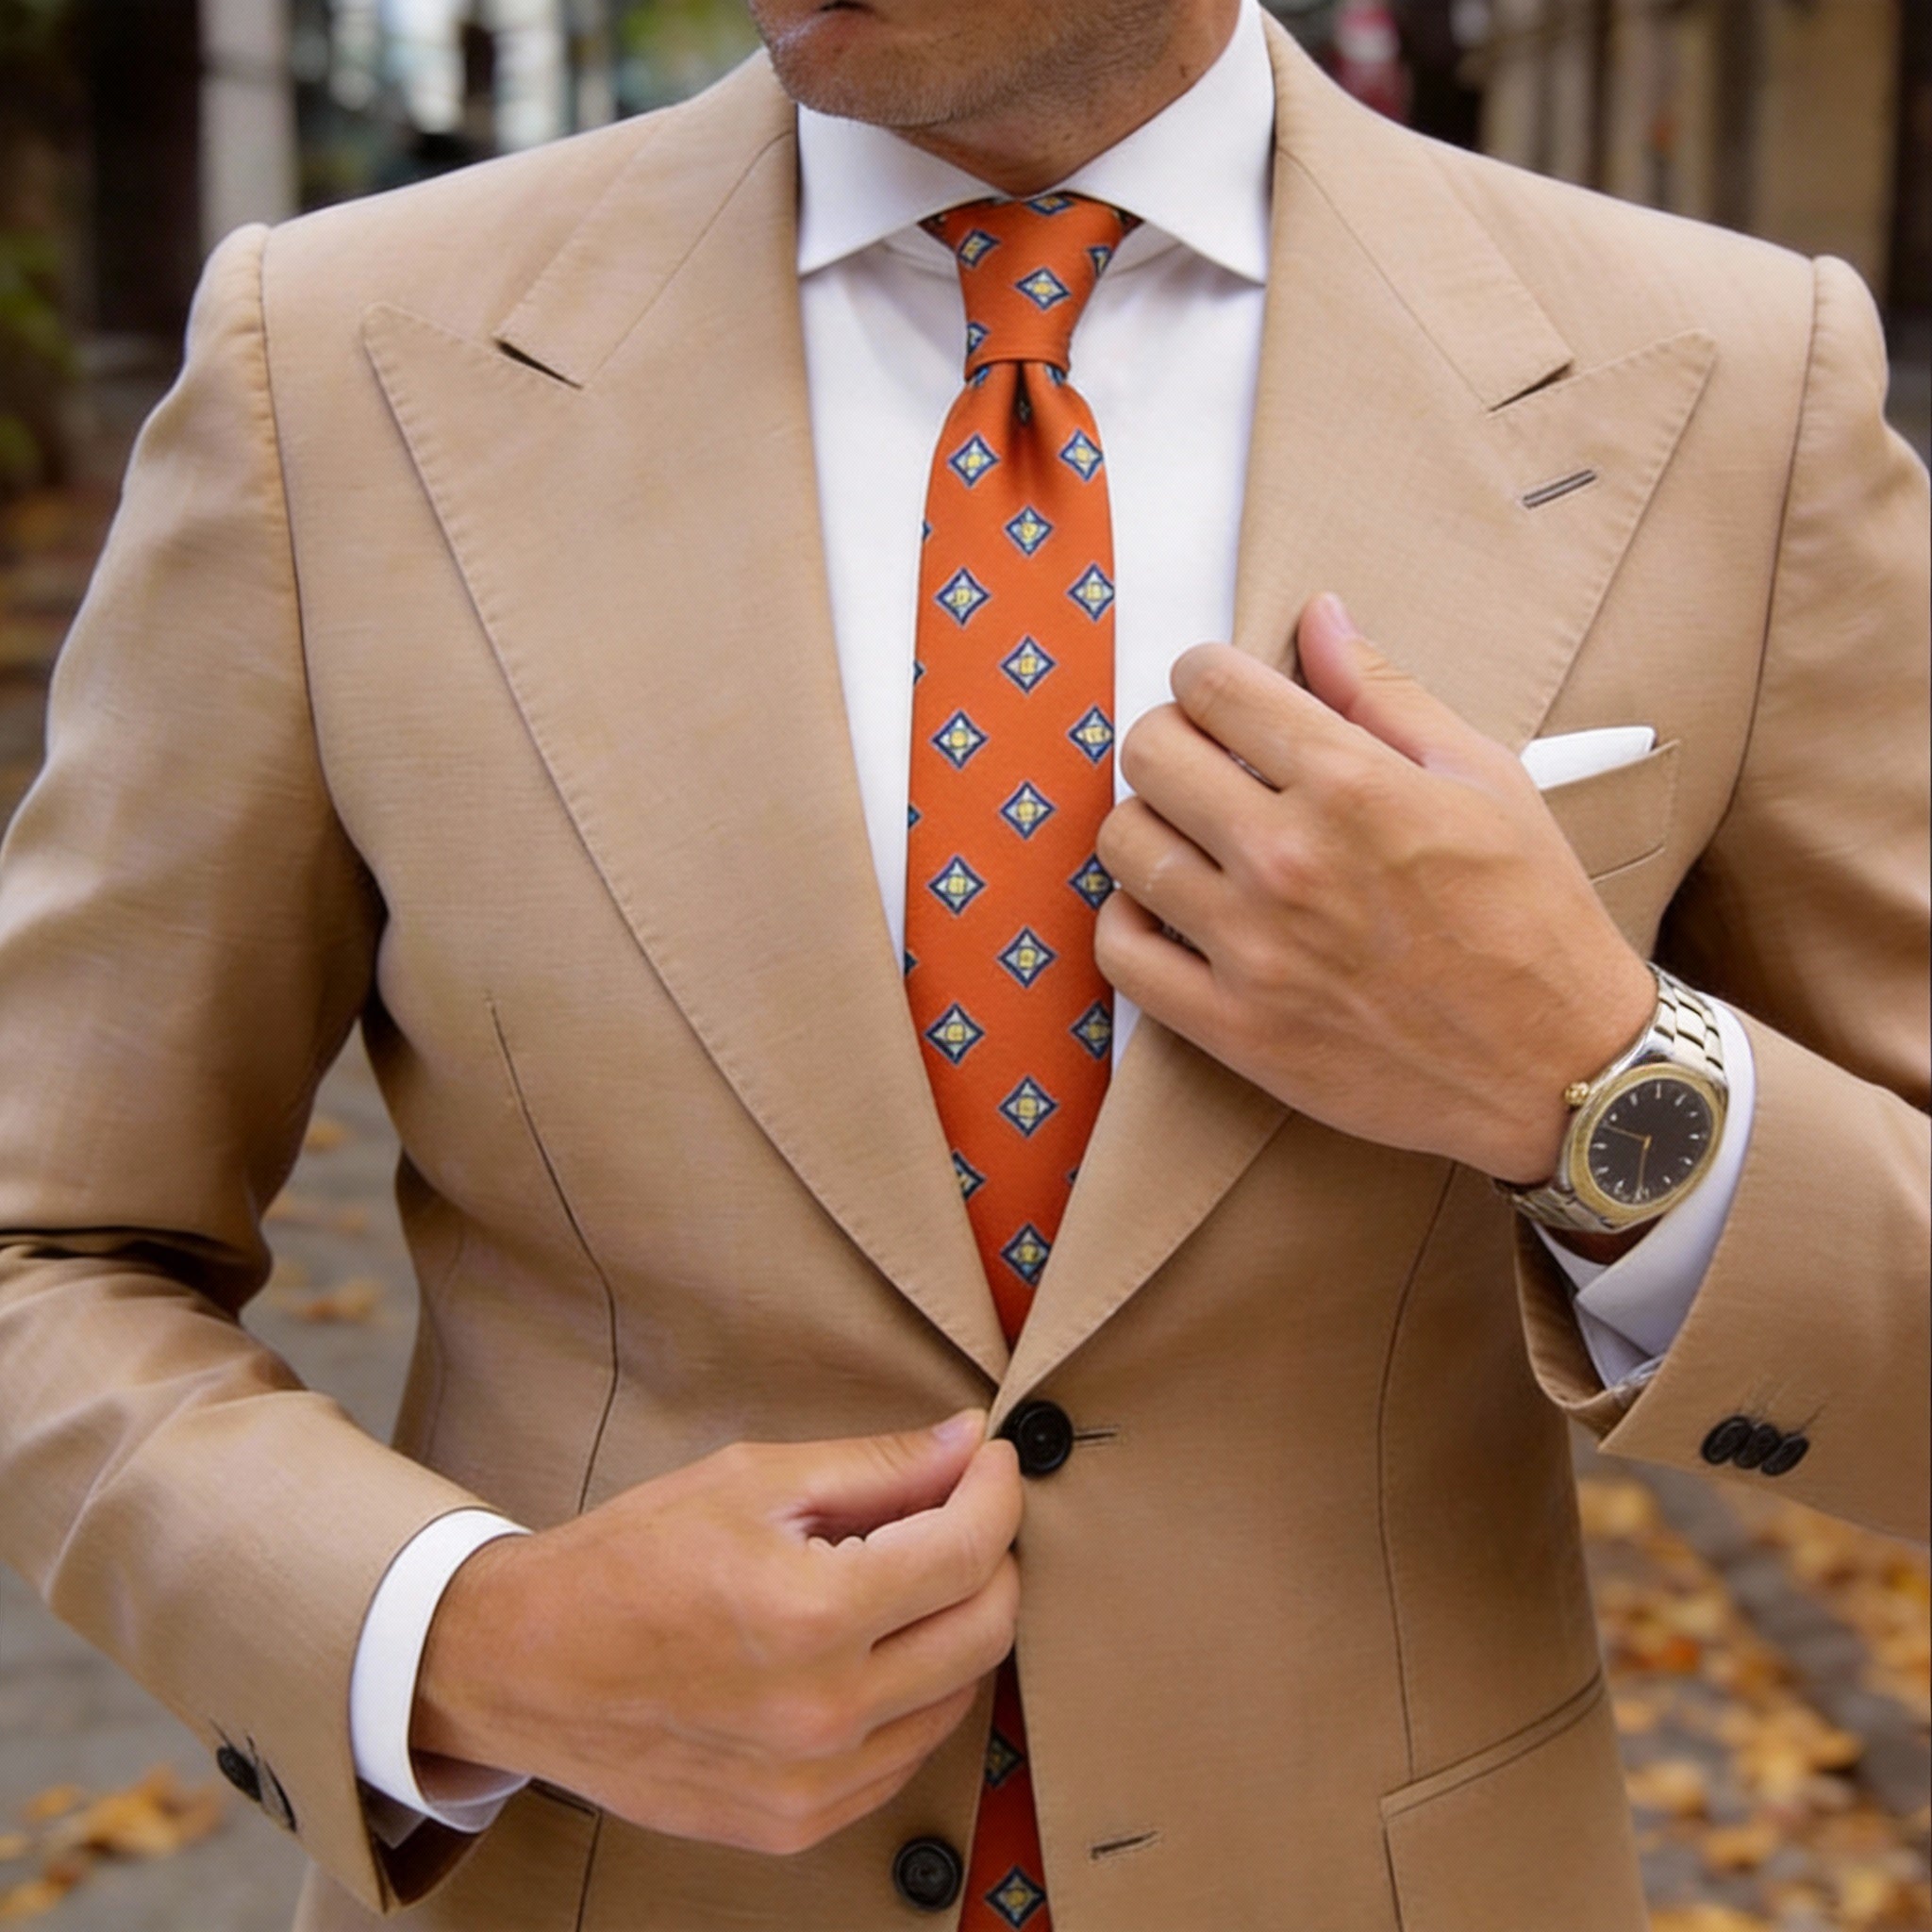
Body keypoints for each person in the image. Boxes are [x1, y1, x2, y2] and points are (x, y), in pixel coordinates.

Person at [0, 0, 1924, 1926]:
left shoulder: (1730, 384)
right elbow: (48, 1245)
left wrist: (1593, 1079)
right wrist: (459, 1638)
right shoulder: (334, 363)